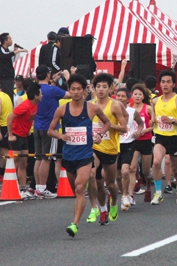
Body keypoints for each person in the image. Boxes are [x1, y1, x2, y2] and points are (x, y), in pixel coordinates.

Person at [47, 74, 112, 238]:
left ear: (85, 91)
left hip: (85, 154)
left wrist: (100, 135)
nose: (76, 92)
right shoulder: (61, 109)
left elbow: (107, 123)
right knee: (76, 191)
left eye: (79, 89)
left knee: (80, 187)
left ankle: (75, 224)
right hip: (68, 156)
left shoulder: (92, 108)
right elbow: (50, 130)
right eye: (73, 89)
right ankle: (92, 207)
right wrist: (60, 136)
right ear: (69, 90)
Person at [86, 73, 127, 225]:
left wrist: (108, 126)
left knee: (110, 183)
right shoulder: (90, 105)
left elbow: (124, 128)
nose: (101, 90)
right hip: (95, 147)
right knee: (93, 178)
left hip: (110, 149)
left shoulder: (115, 105)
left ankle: (114, 202)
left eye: (104, 87)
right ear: (93, 88)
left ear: (110, 89)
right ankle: (100, 208)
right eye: (98, 87)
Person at [33, 65, 71, 199]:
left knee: (38, 158)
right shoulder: (53, 90)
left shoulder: (35, 89)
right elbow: (71, 94)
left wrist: (53, 81)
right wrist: (68, 76)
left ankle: (38, 187)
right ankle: (43, 188)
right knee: (47, 158)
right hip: (51, 128)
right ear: (48, 75)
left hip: (36, 126)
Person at [150, 70, 177, 206]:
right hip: (160, 136)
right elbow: (155, 116)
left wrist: (172, 121)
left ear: (173, 84)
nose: (165, 85)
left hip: (175, 138)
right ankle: (158, 193)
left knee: (176, 170)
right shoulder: (155, 101)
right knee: (157, 163)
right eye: (163, 82)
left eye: (168, 82)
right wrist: (153, 121)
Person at [7, 82, 42, 200]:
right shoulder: (25, 106)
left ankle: (22, 188)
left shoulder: (36, 105)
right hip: (16, 136)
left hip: (24, 136)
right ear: (36, 96)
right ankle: (13, 187)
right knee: (15, 163)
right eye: (40, 93)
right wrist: (11, 134)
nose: (42, 95)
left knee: (24, 163)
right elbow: (9, 117)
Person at [114, 88, 142, 211]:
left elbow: (141, 123)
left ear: (127, 98)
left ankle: (125, 195)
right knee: (118, 176)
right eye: (118, 96)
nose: (120, 98)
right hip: (114, 145)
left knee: (126, 171)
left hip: (128, 144)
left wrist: (138, 132)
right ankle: (122, 193)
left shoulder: (132, 111)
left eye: (123, 96)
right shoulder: (111, 110)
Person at [129, 84, 155, 203]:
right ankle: (130, 196)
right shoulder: (129, 108)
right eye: (135, 94)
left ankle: (148, 187)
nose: (137, 96)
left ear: (143, 96)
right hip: (133, 142)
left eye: (140, 94)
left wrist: (145, 130)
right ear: (132, 95)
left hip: (146, 141)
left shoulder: (148, 108)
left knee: (146, 171)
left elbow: (154, 126)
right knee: (132, 168)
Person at [0, 32, 27, 99]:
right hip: (5, 77)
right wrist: (19, 51)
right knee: (7, 96)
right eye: (10, 39)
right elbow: (6, 55)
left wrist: (15, 51)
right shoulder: (1, 50)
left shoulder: (7, 50)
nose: (11, 40)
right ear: (5, 41)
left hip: (10, 76)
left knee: (10, 95)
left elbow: (10, 59)